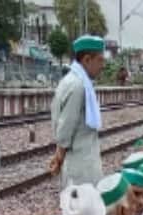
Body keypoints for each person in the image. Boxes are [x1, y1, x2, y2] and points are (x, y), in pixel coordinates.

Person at [49, 36, 105, 187]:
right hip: (81, 166)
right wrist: (59, 155)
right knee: (83, 207)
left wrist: (59, 154)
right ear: (87, 60)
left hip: (78, 162)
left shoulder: (70, 81)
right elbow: (66, 125)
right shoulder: (78, 86)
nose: (103, 65)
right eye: (100, 60)